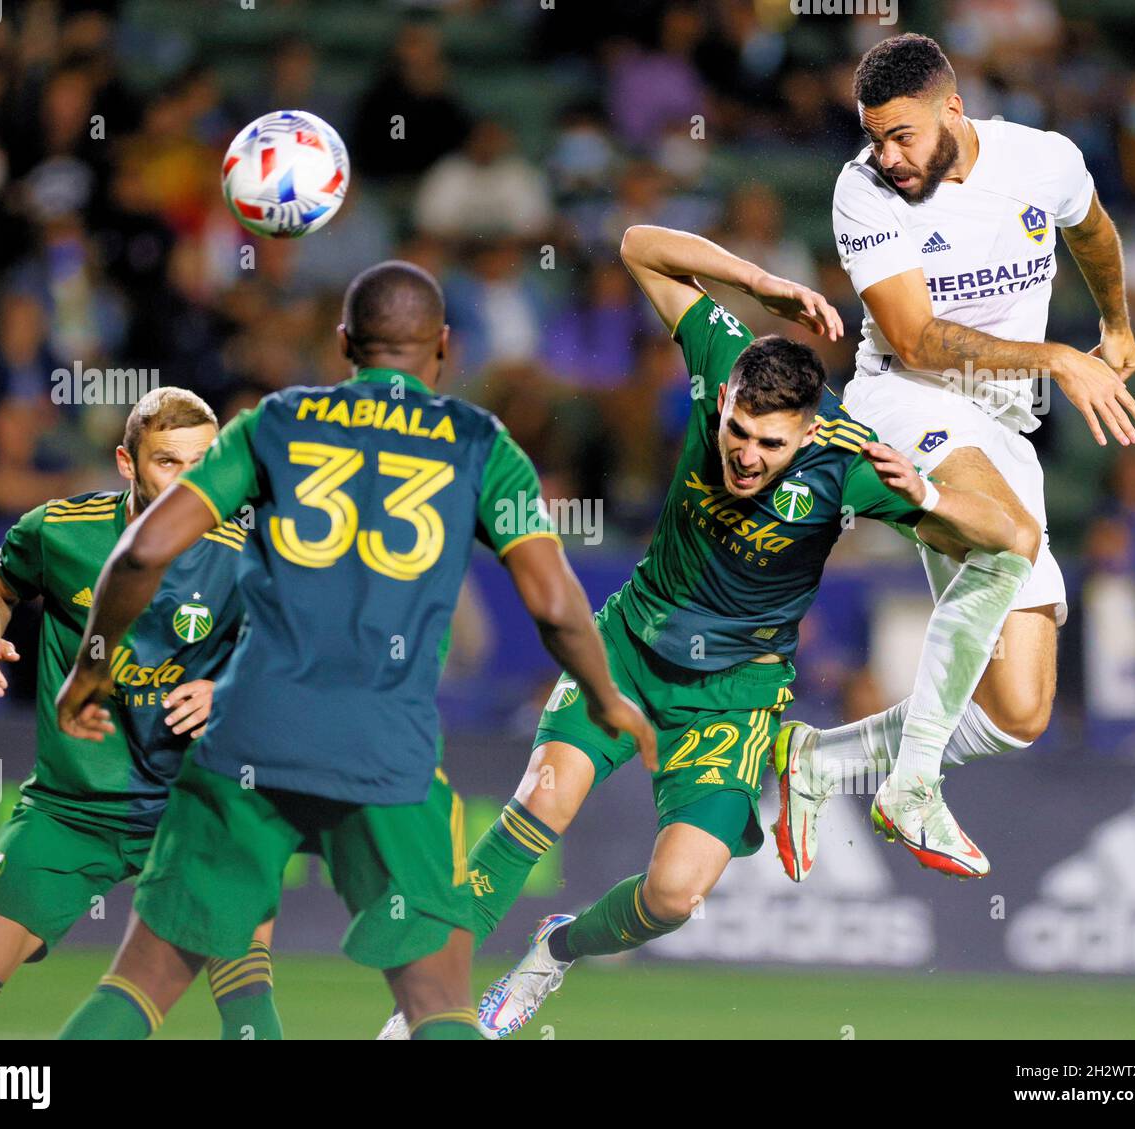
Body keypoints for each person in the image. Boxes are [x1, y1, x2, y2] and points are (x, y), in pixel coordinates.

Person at [388, 224, 1028, 1040]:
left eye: (770, 443)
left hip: (735, 697)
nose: (746, 456)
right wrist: (756, 279)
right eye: (735, 431)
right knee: (539, 802)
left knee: (674, 896)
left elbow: (1011, 535)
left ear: (806, 432)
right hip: (626, 648)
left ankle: (557, 950)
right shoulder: (722, 358)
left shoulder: (854, 461)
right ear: (724, 399)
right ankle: (418, 1016)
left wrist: (933, 499)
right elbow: (636, 244)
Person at [53, 261, 654, 1041]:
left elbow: (140, 552)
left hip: (250, 736)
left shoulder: (275, 421)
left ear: (343, 341)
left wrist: (91, 667)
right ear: (445, 345)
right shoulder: (480, 444)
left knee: (142, 983)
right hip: (387, 753)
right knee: (439, 999)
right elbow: (550, 598)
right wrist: (605, 695)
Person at [798, 32, 1135, 875]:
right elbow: (916, 342)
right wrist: (1057, 357)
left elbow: (1093, 230)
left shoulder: (1042, 161)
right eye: (874, 136)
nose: (887, 155)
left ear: (952, 107)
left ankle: (817, 762)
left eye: (901, 135)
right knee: (1005, 535)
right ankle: (910, 784)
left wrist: (1116, 323)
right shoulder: (862, 191)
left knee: (1020, 710)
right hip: (905, 398)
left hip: (1003, 426)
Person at [0, 387, 283, 1041]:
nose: (189, 484)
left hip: (201, 805)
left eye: (205, 464)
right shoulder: (61, 531)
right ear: (126, 463)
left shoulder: (248, 549)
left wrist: (232, 689)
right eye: (169, 462)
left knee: (245, 995)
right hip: (72, 805)